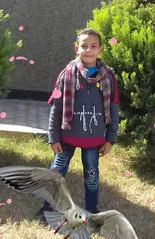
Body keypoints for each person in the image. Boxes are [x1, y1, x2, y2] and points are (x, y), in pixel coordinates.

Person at [36, 28, 119, 219]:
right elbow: (56, 107)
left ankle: (92, 209)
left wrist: (110, 139)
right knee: (56, 174)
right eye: (84, 46)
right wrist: (53, 137)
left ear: (101, 50)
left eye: (93, 46)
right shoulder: (66, 75)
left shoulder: (108, 78)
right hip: (66, 136)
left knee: (91, 175)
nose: (88, 50)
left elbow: (113, 108)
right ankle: (48, 208)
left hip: (94, 139)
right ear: (76, 48)